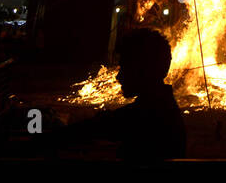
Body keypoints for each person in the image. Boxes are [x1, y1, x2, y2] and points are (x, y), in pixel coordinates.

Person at [61, 28, 186, 162]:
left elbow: (99, 127)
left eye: (124, 68)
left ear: (143, 70)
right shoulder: (163, 107)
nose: (118, 77)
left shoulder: (145, 115)